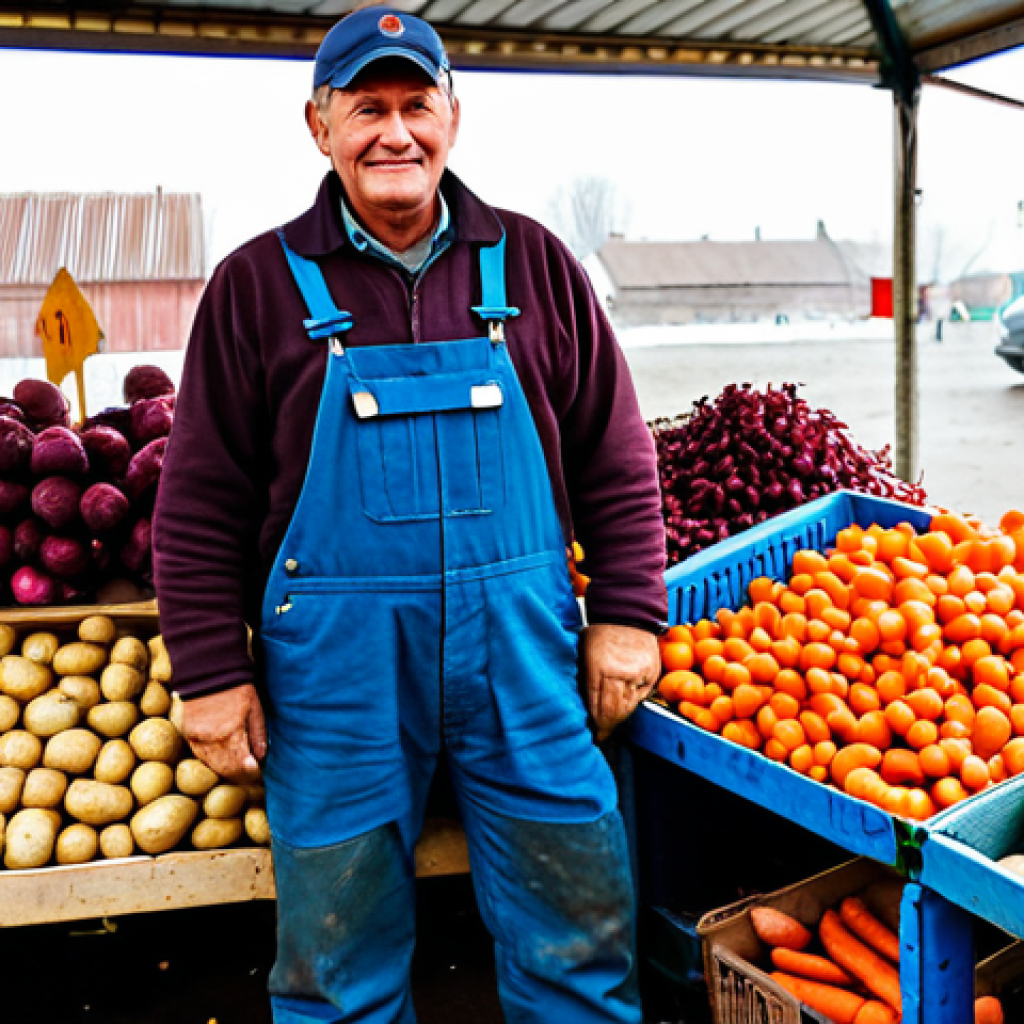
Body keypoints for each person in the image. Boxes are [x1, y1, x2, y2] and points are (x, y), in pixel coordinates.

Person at [154, 7, 667, 1022]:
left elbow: (617, 452)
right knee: (337, 962)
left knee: (580, 930)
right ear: (319, 127)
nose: (395, 133)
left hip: (522, 659)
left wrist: (628, 611)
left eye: (416, 106)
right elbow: (200, 496)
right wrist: (208, 672)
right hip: (338, 678)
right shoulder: (255, 285)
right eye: (366, 108)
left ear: (453, 119)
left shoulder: (533, 265)